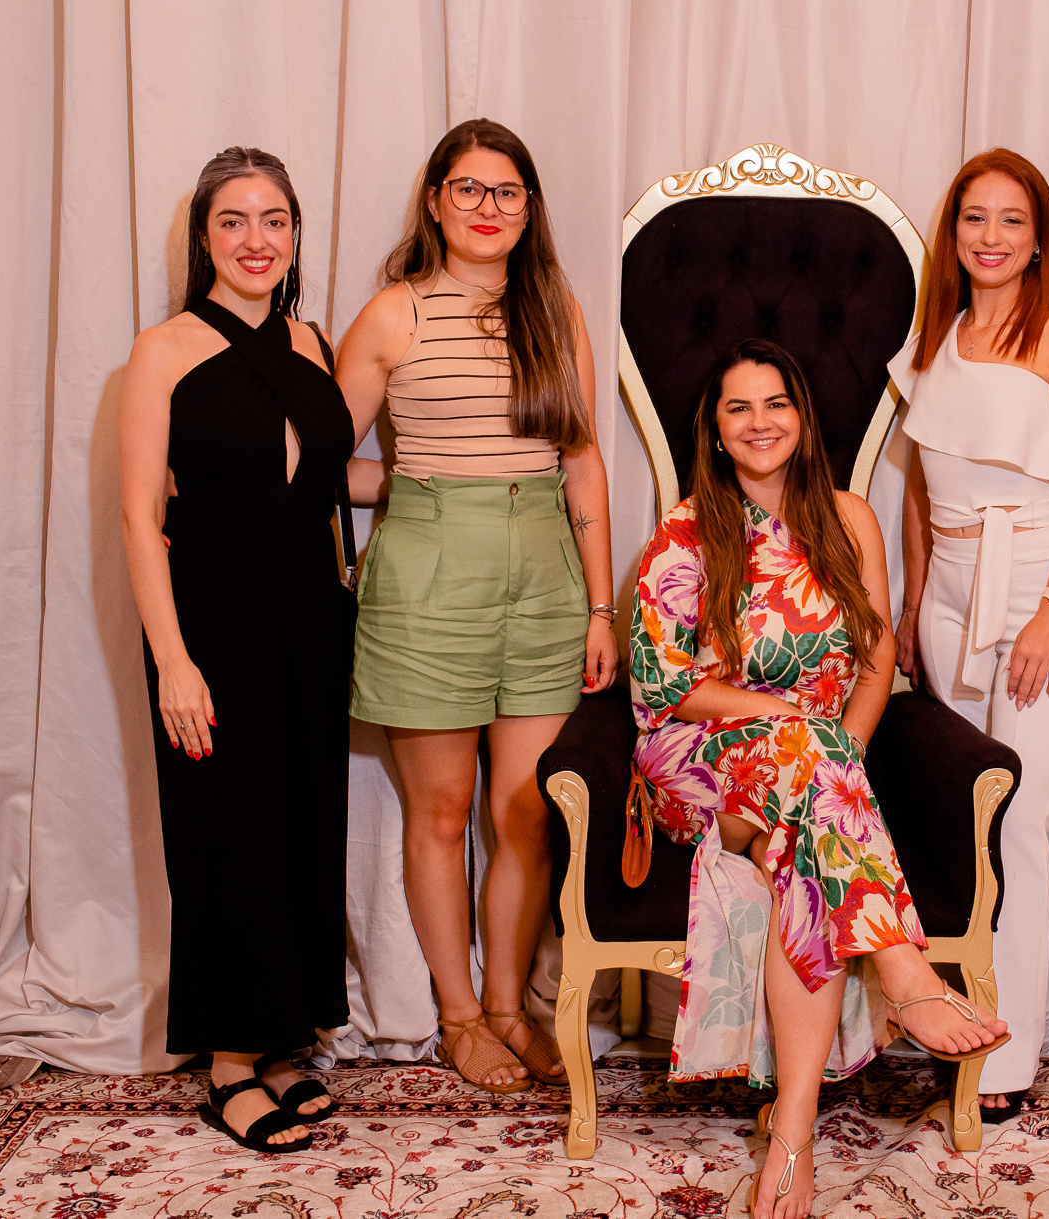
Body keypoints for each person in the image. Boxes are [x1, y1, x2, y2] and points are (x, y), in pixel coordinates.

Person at [632, 339, 1008, 1219]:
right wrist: (789, 722)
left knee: (800, 850)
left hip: (809, 776)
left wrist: (838, 752)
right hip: (697, 758)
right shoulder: (686, 528)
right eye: (738, 408)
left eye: (776, 403)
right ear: (715, 431)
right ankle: (904, 969)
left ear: (802, 418)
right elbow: (664, 682)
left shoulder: (850, 519)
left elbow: (874, 661)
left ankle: (792, 1132)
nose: (759, 422)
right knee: (804, 759)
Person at [334, 119, 618, 1093]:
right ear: (435, 201)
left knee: (526, 811)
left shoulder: (556, 311)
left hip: (543, 578)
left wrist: (600, 609)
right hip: (427, 577)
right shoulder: (394, 315)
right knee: (442, 808)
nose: (487, 207)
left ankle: (508, 1007)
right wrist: (418, 482)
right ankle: (457, 1017)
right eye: (468, 188)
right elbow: (328, 459)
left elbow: (582, 461)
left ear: (529, 209)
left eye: (506, 191)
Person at [119, 147, 354, 1153]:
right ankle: (226, 1063)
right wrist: (173, 658)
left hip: (311, 619)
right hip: (210, 624)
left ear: (295, 233)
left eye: (275, 220)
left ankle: (281, 1039)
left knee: (300, 822)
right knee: (227, 830)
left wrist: (460, 478)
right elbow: (139, 517)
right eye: (234, 221)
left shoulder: (313, 341)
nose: (257, 240)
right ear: (204, 237)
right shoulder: (163, 350)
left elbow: (320, 479)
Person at [888, 149, 1049, 1122]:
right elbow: (917, 489)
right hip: (947, 597)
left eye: (1011, 220)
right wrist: (910, 606)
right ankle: (960, 1019)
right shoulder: (934, 338)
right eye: (974, 217)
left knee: (1019, 813)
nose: (990, 236)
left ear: (1037, 240)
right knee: (964, 812)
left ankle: (1009, 1060)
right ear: (954, 233)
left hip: (1036, 590)